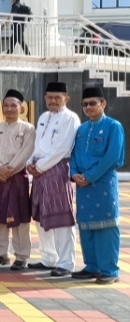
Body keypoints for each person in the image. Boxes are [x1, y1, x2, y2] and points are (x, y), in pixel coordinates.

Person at [70, 86, 125, 285]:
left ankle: (109, 269)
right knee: (86, 227)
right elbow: (74, 155)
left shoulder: (113, 126)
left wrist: (90, 176)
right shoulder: (82, 129)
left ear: (103, 103)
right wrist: (74, 173)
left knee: (106, 227)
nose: (88, 107)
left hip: (102, 184)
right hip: (83, 186)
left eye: (93, 103)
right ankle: (92, 266)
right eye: (85, 104)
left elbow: (112, 157)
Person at [27, 82, 80, 277]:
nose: (53, 101)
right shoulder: (43, 117)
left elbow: (64, 149)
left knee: (61, 217)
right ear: (45, 98)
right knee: (42, 216)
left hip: (57, 170)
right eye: (49, 97)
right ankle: (48, 258)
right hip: (39, 172)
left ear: (66, 98)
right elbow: (38, 145)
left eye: (57, 97)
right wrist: (30, 163)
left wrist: (39, 167)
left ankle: (66, 263)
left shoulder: (70, 118)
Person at [0, 89, 35, 270]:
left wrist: (10, 169)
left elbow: (26, 152)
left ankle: (22, 256)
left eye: (13, 105)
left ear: (21, 108)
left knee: (20, 218)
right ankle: (1, 254)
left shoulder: (28, 129)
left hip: (17, 177)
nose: (9, 109)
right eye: (6, 105)